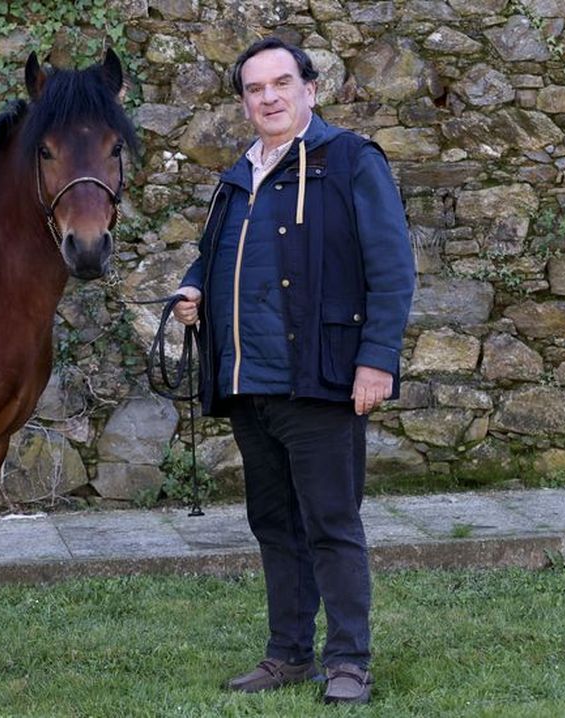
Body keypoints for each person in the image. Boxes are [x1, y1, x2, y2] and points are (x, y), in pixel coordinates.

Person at [172, 37, 415, 705]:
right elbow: (213, 255)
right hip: (248, 385)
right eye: (255, 89)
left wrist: (377, 361)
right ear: (243, 103)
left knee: (331, 524)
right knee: (275, 526)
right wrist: (193, 288)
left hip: (321, 379)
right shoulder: (238, 177)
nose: (269, 97)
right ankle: (288, 655)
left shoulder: (352, 161)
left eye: (281, 83)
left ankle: (349, 661)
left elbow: (392, 268)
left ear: (310, 89)